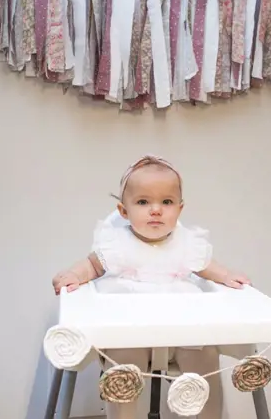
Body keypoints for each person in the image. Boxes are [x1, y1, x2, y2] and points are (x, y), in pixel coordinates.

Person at [52, 154, 250, 419]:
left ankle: (209, 415)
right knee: (122, 362)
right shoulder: (117, 244)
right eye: (143, 202)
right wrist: (73, 275)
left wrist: (227, 276)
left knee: (205, 354)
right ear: (124, 211)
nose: (156, 209)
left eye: (166, 202)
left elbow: (207, 267)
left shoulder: (187, 243)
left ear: (179, 209)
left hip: (182, 327)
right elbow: (91, 266)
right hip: (130, 328)